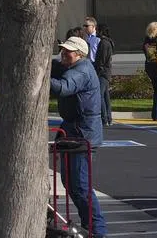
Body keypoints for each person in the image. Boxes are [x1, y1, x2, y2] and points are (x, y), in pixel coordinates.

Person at [50, 35, 107, 237]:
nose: (64, 53)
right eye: (63, 50)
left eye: (69, 51)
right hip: (73, 131)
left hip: (83, 134)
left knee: (80, 186)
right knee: (70, 183)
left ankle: (97, 231)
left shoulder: (81, 70)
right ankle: (89, 226)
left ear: (80, 54)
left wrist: (40, 75)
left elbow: (64, 88)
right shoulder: (73, 67)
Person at [93, 24, 115, 127]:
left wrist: (98, 69)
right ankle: (108, 118)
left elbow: (101, 59)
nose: (96, 32)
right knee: (106, 96)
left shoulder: (104, 43)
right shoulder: (107, 42)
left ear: (101, 31)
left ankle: (104, 118)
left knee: (100, 95)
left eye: (97, 30)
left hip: (103, 73)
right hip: (106, 72)